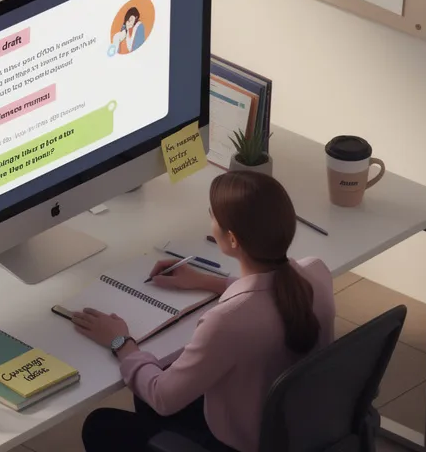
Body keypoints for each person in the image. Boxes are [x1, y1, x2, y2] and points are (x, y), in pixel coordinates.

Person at [74, 171, 335, 452]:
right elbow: (271, 292)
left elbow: (162, 396)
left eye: (212, 216)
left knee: (100, 424)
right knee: (154, 383)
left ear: (232, 239)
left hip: (242, 443)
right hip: (297, 428)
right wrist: (206, 281)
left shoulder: (226, 322)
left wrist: (120, 342)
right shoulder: (316, 273)